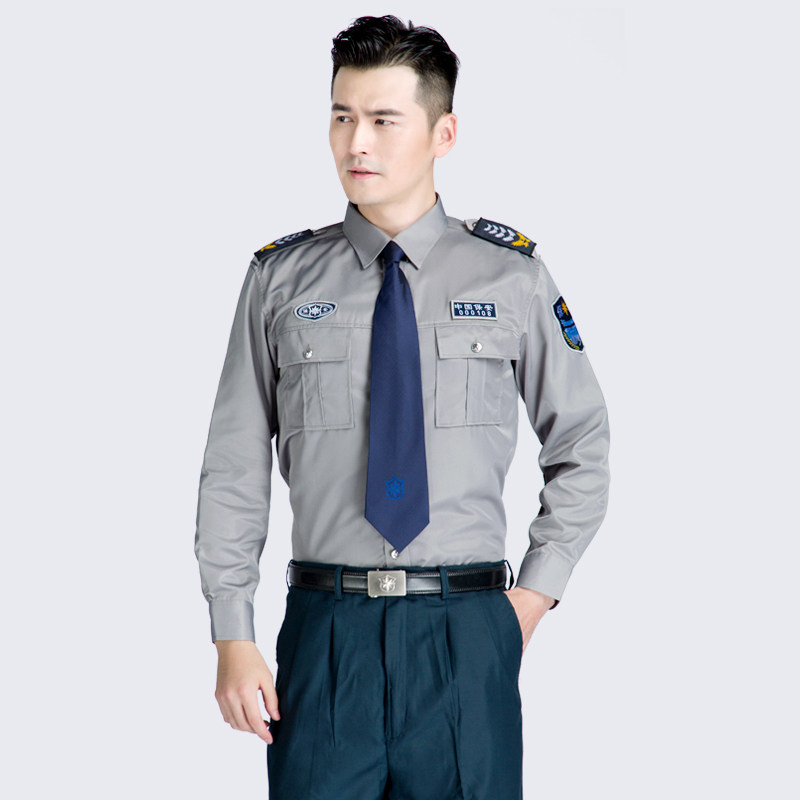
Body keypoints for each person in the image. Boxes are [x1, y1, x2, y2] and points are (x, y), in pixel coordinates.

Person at [194, 14, 610, 799]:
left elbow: (582, 443)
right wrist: (231, 632)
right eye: (342, 116)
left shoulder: (511, 278)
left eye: (384, 120)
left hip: (466, 630)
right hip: (326, 633)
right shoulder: (281, 280)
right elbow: (234, 465)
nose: (357, 143)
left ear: (443, 132)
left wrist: (531, 596)